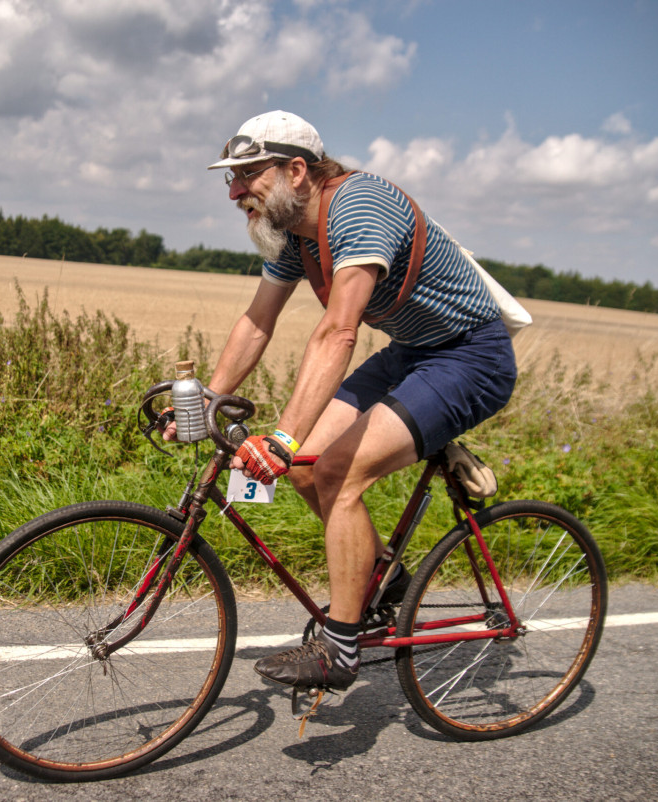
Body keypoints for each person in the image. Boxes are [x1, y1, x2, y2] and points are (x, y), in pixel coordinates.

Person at [183, 110, 518, 692]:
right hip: (413, 352)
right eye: (230, 180)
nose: (236, 192)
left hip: (470, 357)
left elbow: (339, 331)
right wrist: (207, 399)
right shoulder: (295, 235)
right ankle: (382, 584)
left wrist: (281, 438)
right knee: (309, 472)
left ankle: (340, 650)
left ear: (296, 171)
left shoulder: (361, 208)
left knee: (335, 469)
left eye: (248, 176)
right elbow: (258, 322)